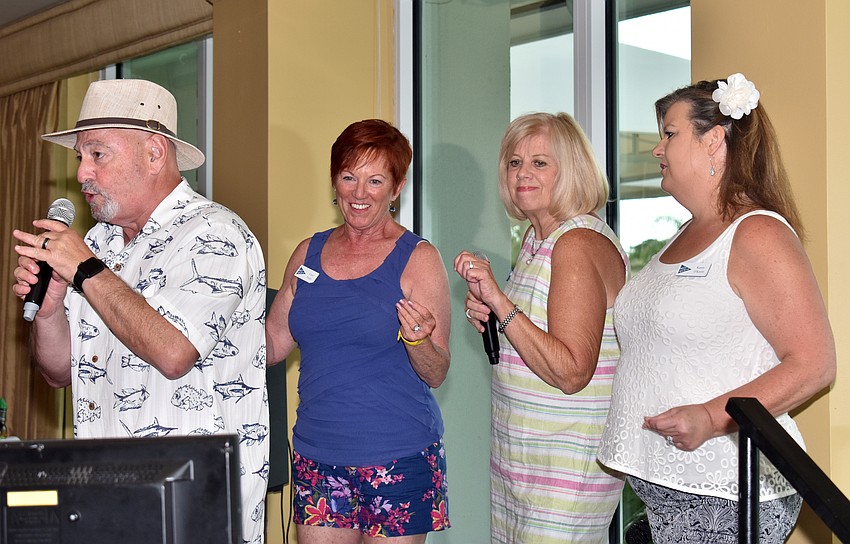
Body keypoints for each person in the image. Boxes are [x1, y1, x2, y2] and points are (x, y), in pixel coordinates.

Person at [11, 79, 269, 543]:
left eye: (98, 154)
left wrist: (86, 270)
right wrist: (49, 313)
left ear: (154, 153)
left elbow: (174, 352)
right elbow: (57, 373)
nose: (83, 174)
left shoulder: (215, 235)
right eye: (79, 158)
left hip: (192, 510)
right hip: (103, 501)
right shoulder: (97, 243)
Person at [597, 73, 836, 543]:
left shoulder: (757, 234)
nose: (657, 148)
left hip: (730, 492)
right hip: (668, 493)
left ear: (714, 142)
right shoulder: (683, 235)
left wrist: (711, 416)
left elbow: (815, 363)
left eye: (669, 133)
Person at [265, 119, 451, 543]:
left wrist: (418, 339)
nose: (359, 193)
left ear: (397, 187)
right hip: (317, 454)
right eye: (349, 177)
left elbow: (436, 372)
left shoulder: (418, 258)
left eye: (375, 180)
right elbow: (273, 344)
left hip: (398, 456)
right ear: (335, 181)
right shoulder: (307, 252)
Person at [455, 112, 628, 543]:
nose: (522, 174)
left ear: (570, 171)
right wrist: (496, 316)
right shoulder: (537, 240)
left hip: (565, 463)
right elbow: (533, 338)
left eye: (539, 163)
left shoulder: (576, 243)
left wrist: (499, 300)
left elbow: (570, 371)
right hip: (524, 455)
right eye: (514, 163)